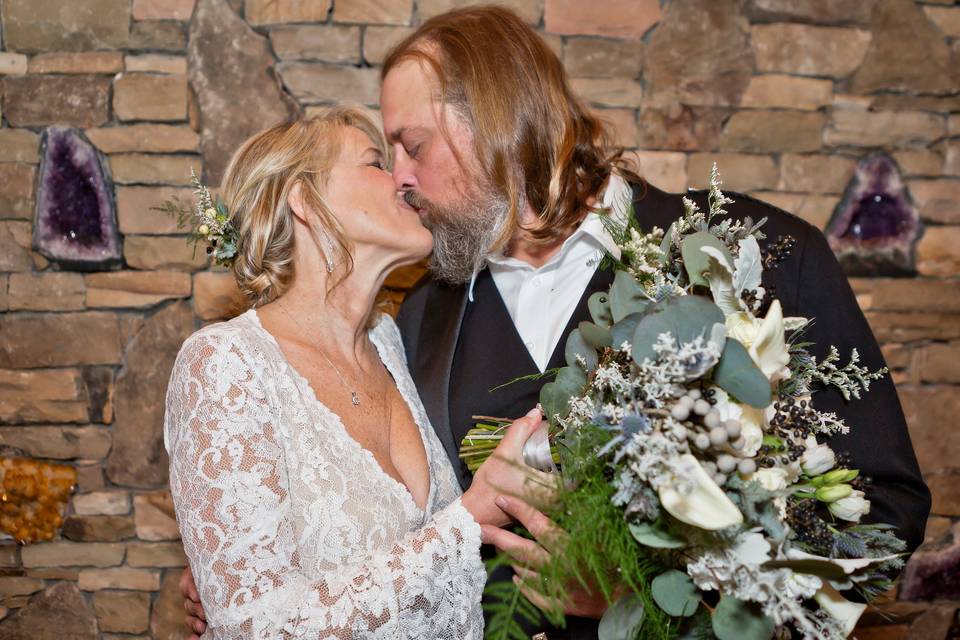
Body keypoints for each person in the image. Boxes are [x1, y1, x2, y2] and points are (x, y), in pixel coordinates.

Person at [182, 6, 931, 638]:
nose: (403, 180)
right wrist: (255, 567)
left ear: (498, 119)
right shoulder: (415, 324)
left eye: (412, 146)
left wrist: (667, 601)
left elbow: (884, 515)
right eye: (386, 158)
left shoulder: (759, 256)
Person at [164, 106, 546, 639]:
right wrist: (468, 518)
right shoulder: (226, 364)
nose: (403, 180)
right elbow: (258, 629)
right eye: (375, 162)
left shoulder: (395, 343)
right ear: (304, 201)